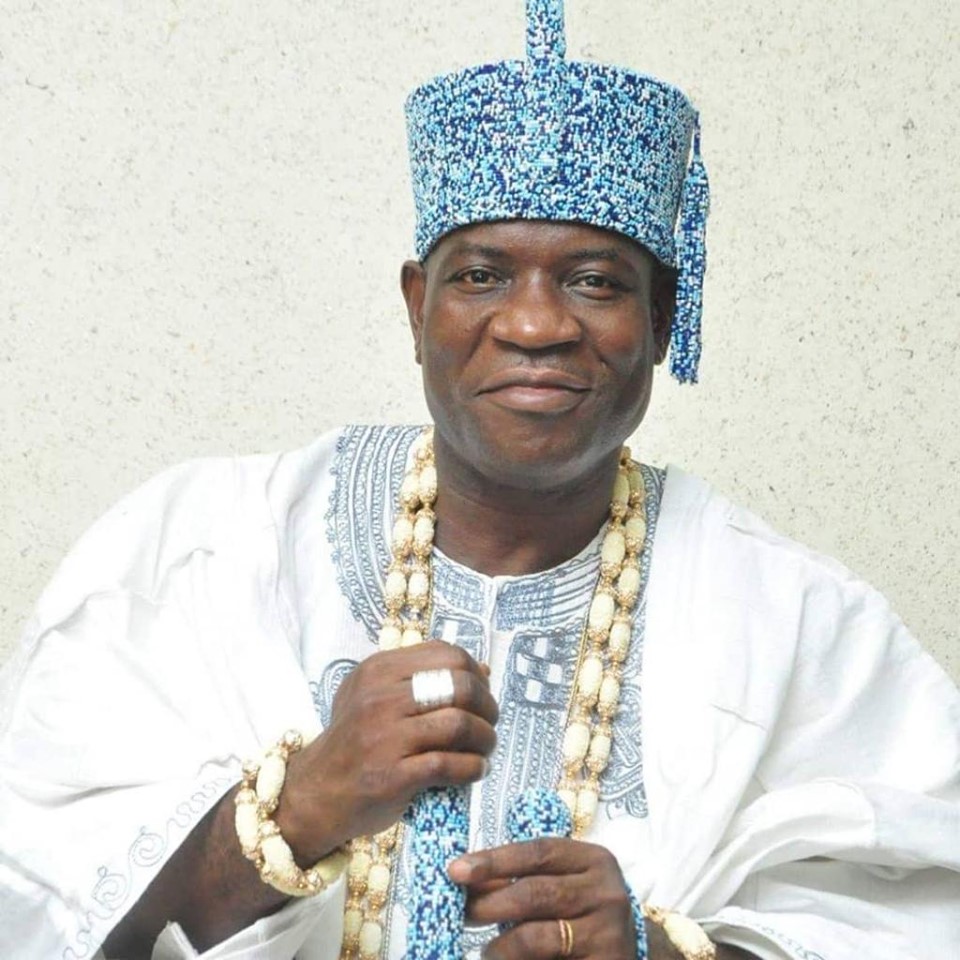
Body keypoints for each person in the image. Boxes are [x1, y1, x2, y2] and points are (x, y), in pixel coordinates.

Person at [1, 2, 958, 959]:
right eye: (482, 277)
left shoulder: (789, 622)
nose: (536, 326)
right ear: (417, 307)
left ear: (664, 318)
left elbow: (922, 916)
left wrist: (661, 954)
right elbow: (40, 906)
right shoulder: (210, 555)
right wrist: (299, 806)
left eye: (595, 281)